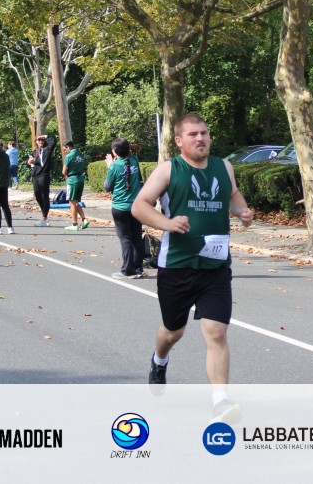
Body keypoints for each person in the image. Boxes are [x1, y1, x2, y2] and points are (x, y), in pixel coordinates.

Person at [131, 114, 253, 423]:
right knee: (173, 331)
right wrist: (167, 223)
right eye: (193, 134)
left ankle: (221, 401)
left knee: (216, 332)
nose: (201, 138)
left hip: (216, 266)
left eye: (204, 133)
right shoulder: (168, 170)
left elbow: (232, 194)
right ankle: (159, 359)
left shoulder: (224, 167)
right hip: (177, 265)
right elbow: (140, 205)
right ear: (179, 141)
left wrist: (242, 211)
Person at [104, 138, 145, 279]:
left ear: (115, 151)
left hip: (120, 207)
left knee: (125, 238)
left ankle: (128, 270)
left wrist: (110, 165)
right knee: (137, 237)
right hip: (136, 206)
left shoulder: (115, 166)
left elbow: (107, 187)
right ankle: (138, 268)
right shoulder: (134, 160)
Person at [62, 140, 89, 231]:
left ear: (68, 147)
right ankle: (84, 219)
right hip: (80, 179)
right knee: (76, 201)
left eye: (65, 149)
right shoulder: (80, 154)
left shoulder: (69, 156)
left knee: (72, 202)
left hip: (72, 180)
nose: (65, 151)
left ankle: (74, 224)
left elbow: (64, 171)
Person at [28, 135, 53, 226]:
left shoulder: (47, 150)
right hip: (35, 175)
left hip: (44, 175)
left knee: (44, 196)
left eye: (42, 140)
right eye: (38, 140)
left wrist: (45, 136)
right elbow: (29, 163)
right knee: (38, 196)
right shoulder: (34, 152)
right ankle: (44, 214)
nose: (40, 141)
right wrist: (29, 162)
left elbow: (53, 141)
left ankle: (45, 218)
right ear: (36, 142)